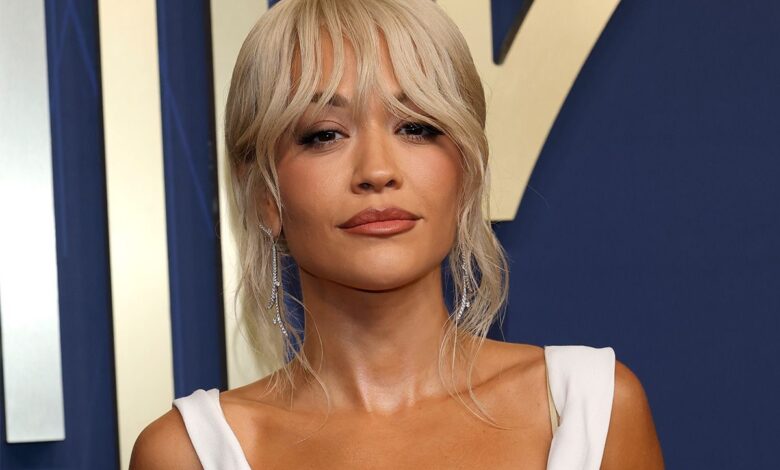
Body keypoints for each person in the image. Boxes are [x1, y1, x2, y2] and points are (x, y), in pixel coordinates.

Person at [130, 0, 664, 468]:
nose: (378, 170)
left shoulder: (590, 408)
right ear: (263, 196)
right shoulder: (188, 454)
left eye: (416, 126)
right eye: (325, 134)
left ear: (466, 171)